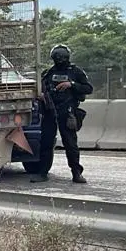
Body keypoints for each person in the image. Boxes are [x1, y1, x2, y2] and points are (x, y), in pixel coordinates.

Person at [32, 44, 93, 184]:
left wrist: (71, 84)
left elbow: (88, 88)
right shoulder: (48, 73)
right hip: (50, 111)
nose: (59, 60)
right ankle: (42, 172)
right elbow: (39, 88)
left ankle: (76, 173)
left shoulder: (75, 71)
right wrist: (41, 95)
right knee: (46, 143)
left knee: (70, 144)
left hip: (67, 112)